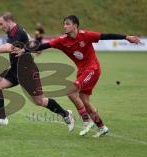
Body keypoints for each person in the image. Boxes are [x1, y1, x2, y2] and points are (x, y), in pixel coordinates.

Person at [12, 15, 140, 137]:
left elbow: (105, 36)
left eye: (67, 24)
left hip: (92, 69)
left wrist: (126, 37)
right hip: (82, 71)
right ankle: (102, 128)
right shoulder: (62, 40)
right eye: (64, 24)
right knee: (85, 101)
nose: (65, 26)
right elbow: (43, 45)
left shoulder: (86, 35)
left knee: (71, 92)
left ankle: (86, 121)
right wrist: (25, 50)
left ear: (75, 26)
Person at [0, 12, 75, 131]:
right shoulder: (14, 31)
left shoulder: (17, 31)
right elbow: (32, 41)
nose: (0, 27)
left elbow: (8, 47)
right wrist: (29, 47)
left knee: (39, 101)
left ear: (9, 21)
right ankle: (2, 118)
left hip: (27, 71)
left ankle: (66, 114)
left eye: (1, 24)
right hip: (15, 69)